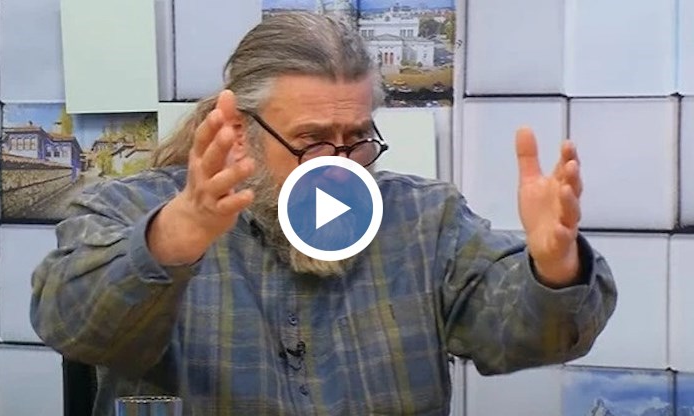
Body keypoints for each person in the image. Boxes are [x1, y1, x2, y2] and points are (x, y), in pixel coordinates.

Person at [31, 12, 617, 416]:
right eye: (311, 140)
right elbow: (70, 324)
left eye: (357, 137)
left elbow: (522, 334)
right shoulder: (129, 206)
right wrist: (176, 236)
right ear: (241, 128)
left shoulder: (424, 218)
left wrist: (553, 268)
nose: (340, 163)